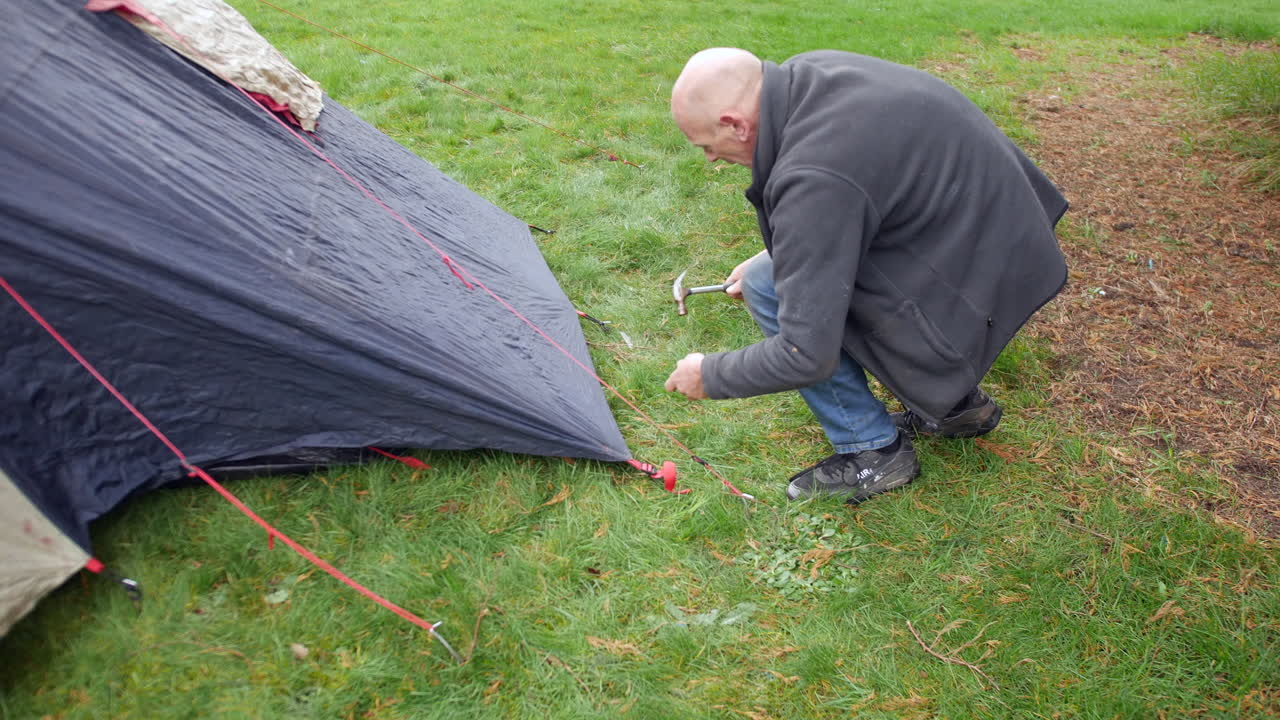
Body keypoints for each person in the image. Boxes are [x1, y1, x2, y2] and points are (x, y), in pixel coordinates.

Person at [663, 48, 1068, 504]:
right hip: (994, 226)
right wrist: (781, 252)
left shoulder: (814, 176)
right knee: (763, 275)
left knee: (772, 292)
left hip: (970, 262)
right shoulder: (809, 74)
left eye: (706, 145)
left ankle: (873, 452)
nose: (710, 160)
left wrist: (711, 374)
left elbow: (804, 354)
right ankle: (957, 409)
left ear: (736, 123)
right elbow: (857, 188)